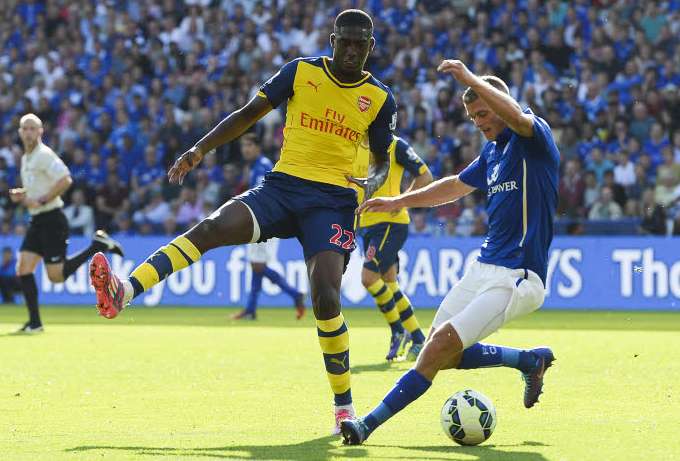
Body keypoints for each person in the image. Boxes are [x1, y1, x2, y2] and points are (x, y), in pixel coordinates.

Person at [88, 9, 396, 433]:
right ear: (332, 41)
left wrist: (372, 182)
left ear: (371, 48)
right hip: (283, 187)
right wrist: (199, 150)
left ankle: (344, 407)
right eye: (344, 41)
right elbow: (249, 113)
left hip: (333, 201)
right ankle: (124, 291)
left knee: (326, 296)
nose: (351, 50)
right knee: (211, 227)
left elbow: (382, 161)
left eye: (360, 44)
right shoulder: (301, 72)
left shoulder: (380, 98)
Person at [340, 60, 559, 445]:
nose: (477, 121)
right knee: (442, 351)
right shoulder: (492, 153)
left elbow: (517, 117)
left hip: (518, 276)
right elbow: (454, 186)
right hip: (483, 268)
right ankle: (528, 360)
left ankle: (365, 426)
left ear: (501, 102)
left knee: (438, 349)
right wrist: (398, 201)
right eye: (472, 115)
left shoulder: (532, 137)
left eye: (482, 112)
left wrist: (469, 78)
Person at [8, 114, 123, 333]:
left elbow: (66, 179)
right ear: (20, 132)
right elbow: (38, 187)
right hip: (37, 220)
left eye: (33, 128)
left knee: (56, 276)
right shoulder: (27, 158)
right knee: (23, 268)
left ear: (40, 132)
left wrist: (42, 199)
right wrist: (23, 195)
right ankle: (35, 323)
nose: (29, 132)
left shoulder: (44, 155)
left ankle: (97, 246)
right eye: (25, 128)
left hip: (52, 218)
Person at [353, 134, 433, 361]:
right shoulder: (353, 145)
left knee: (368, 278)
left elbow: (425, 175)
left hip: (389, 223)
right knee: (389, 282)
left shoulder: (394, 145)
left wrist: (403, 200)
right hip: (367, 225)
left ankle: (398, 330)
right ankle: (417, 338)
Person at [231, 133, 306, 321]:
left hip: (266, 222)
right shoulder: (255, 167)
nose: (245, 149)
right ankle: (250, 309)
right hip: (261, 221)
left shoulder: (262, 166)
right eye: (243, 146)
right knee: (256, 265)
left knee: (258, 265)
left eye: (249, 145)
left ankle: (295, 294)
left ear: (257, 147)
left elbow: (263, 198)